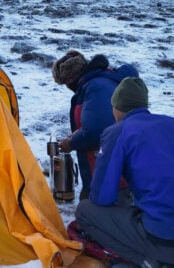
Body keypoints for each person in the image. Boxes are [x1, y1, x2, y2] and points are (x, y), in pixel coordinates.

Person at [75, 77, 174, 267]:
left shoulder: (118, 132)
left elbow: (102, 197)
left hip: (168, 243)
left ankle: (149, 262)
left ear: (116, 107)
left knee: (85, 211)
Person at [52, 50, 138, 199]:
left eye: (66, 83)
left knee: (87, 210)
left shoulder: (95, 87)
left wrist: (71, 143)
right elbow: (102, 121)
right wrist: (77, 135)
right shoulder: (104, 81)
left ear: (71, 78)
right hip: (120, 169)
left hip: (110, 177)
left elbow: (97, 131)